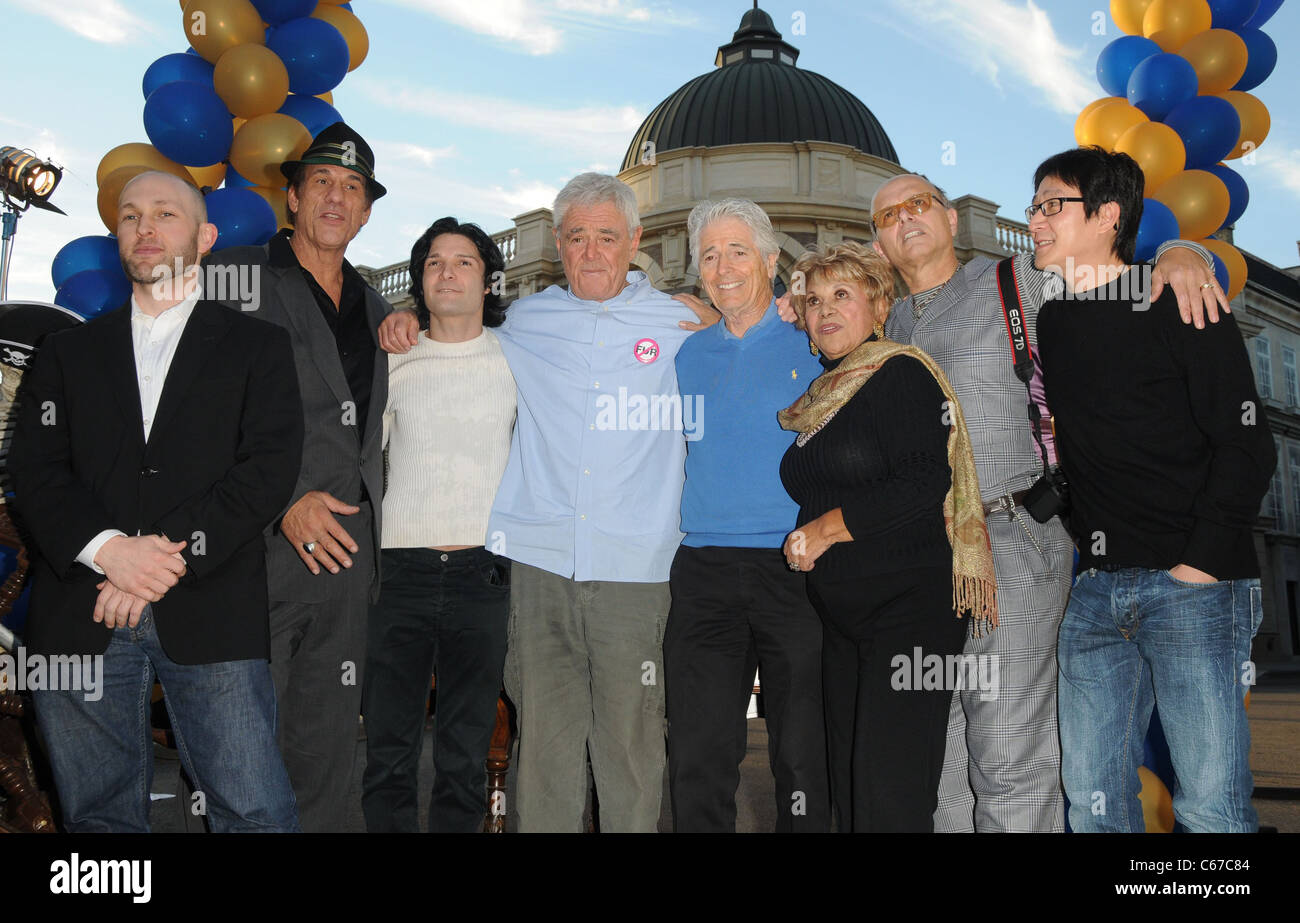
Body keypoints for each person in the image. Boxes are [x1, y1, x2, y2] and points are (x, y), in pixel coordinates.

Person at [864, 171, 1225, 833]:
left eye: (920, 203)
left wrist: (1184, 255)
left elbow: (1113, 274)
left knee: (1008, 747)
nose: (905, 218)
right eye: (888, 215)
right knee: (940, 757)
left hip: (1015, 539)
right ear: (880, 245)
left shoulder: (1014, 279)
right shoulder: (884, 322)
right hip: (924, 559)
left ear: (948, 219)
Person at [379, 173, 705, 832]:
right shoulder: (522, 321)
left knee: (631, 754)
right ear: (558, 243)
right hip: (536, 569)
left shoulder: (681, 320)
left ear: (634, 240)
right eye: (577, 237)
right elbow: (454, 321)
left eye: (606, 237)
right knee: (545, 757)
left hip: (635, 574)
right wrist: (406, 313)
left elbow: (750, 319)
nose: (591, 252)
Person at [8, 171, 303, 832]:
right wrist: (111, 551)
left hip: (211, 608)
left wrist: (159, 560)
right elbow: (36, 470)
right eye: (131, 215)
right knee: (99, 821)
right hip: (78, 608)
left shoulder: (259, 347)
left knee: (255, 810)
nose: (145, 227)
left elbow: (267, 468)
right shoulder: (64, 353)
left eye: (165, 213)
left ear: (204, 237)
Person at [1028, 146, 1273, 832]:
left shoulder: (1178, 295)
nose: (1036, 220)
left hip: (1193, 583)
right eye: (1034, 206)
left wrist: (1197, 566)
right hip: (1098, 588)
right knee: (1094, 801)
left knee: (1210, 805)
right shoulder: (1056, 318)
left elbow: (1247, 443)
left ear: (1107, 214)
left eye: (1053, 205)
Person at [207, 122, 391, 832]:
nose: (337, 198)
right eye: (322, 182)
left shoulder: (379, 311)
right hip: (253, 555)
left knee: (326, 748)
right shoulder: (235, 278)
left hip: (347, 562)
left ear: (368, 211)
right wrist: (280, 502)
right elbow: (195, 413)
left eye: (353, 188)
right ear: (291, 196)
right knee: (242, 750)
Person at [777, 241, 996, 832]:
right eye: (814, 300)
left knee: (888, 790)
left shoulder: (899, 373)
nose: (825, 311)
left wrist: (823, 530)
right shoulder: (826, 397)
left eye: (842, 295)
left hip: (907, 612)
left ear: (879, 307)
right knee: (849, 788)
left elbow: (925, 477)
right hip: (844, 620)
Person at [666, 198, 829, 832]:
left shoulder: (816, 337)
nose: (723, 265)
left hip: (798, 564)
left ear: (769, 260)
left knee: (802, 753)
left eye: (738, 250)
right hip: (703, 567)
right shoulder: (686, 354)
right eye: (709, 254)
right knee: (699, 754)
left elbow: (877, 289)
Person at [361, 218, 515, 833]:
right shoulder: (390, 359)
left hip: (485, 572)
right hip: (399, 571)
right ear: (420, 281)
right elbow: (359, 456)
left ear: (487, 280)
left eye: (464, 262)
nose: (447, 272)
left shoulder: (516, 358)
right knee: (388, 751)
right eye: (434, 263)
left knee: (464, 753)